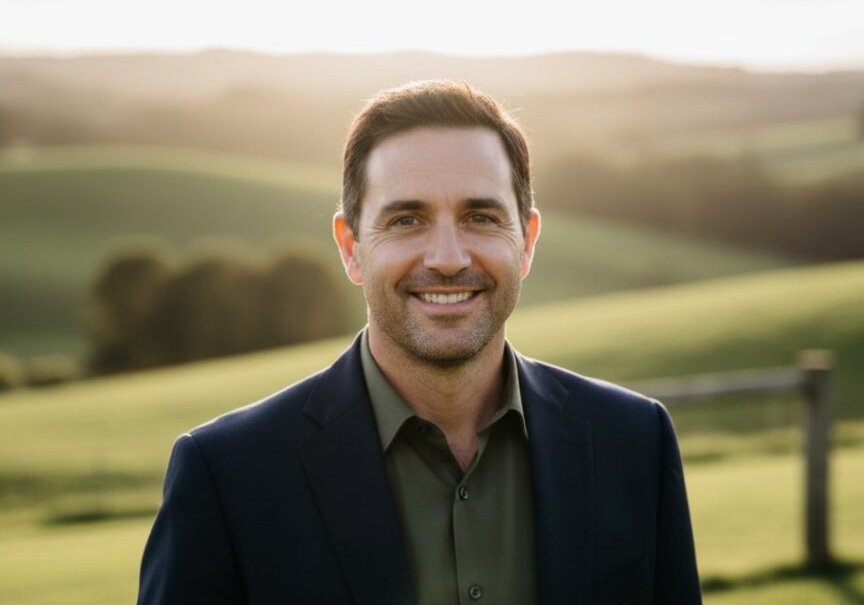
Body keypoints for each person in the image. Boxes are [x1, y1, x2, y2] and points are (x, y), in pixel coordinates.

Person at [138, 80, 701, 604]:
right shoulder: (229, 475)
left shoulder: (633, 443)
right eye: (407, 220)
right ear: (351, 246)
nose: (449, 258)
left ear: (526, 241)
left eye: (480, 216)